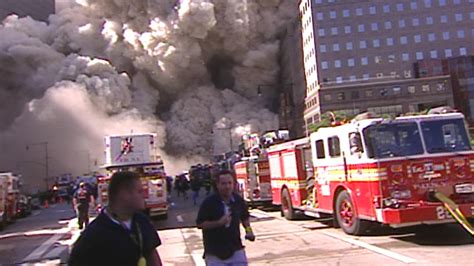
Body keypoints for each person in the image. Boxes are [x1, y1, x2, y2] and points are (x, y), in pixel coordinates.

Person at [69, 171, 162, 266]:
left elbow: (152, 255)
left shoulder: (142, 221)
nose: (144, 195)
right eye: (139, 191)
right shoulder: (93, 236)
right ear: (124, 194)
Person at [196, 170, 255, 266]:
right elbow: (200, 224)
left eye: (229, 183)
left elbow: (244, 217)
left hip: (235, 249)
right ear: (217, 185)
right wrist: (219, 223)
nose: (227, 187)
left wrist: (249, 231)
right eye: (223, 184)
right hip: (215, 253)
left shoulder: (238, 200)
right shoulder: (209, 202)